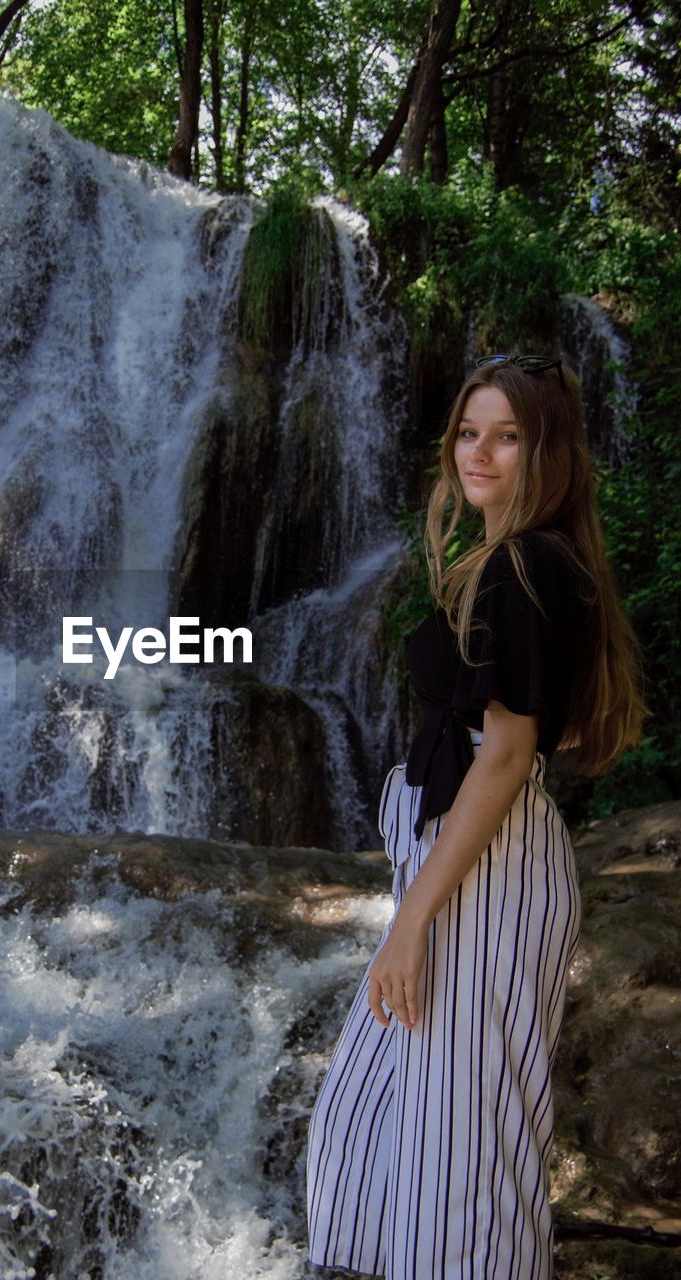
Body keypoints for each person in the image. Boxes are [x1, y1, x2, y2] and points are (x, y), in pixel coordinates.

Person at [305, 353, 645, 1279]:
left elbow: (504, 753)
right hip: (470, 863)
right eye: (468, 431)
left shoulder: (525, 565)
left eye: (508, 436)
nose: (479, 452)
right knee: (377, 1117)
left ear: (551, 456)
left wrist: (411, 921)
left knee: (461, 1150)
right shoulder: (513, 562)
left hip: (481, 870)